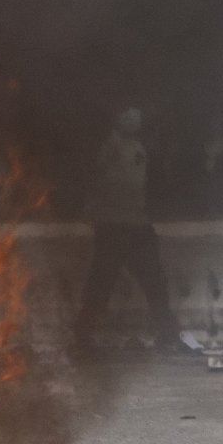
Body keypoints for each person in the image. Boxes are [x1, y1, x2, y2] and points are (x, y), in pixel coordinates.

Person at [76, 108, 172, 351]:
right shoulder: (104, 147)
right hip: (112, 225)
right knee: (101, 281)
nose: (134, 119)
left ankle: (168, 334)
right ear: (116, 118)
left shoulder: (141, 147)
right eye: (128, 115)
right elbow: (96, 181)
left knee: (154, 282)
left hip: (137, 223)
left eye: (137, 115)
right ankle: (83, 335)